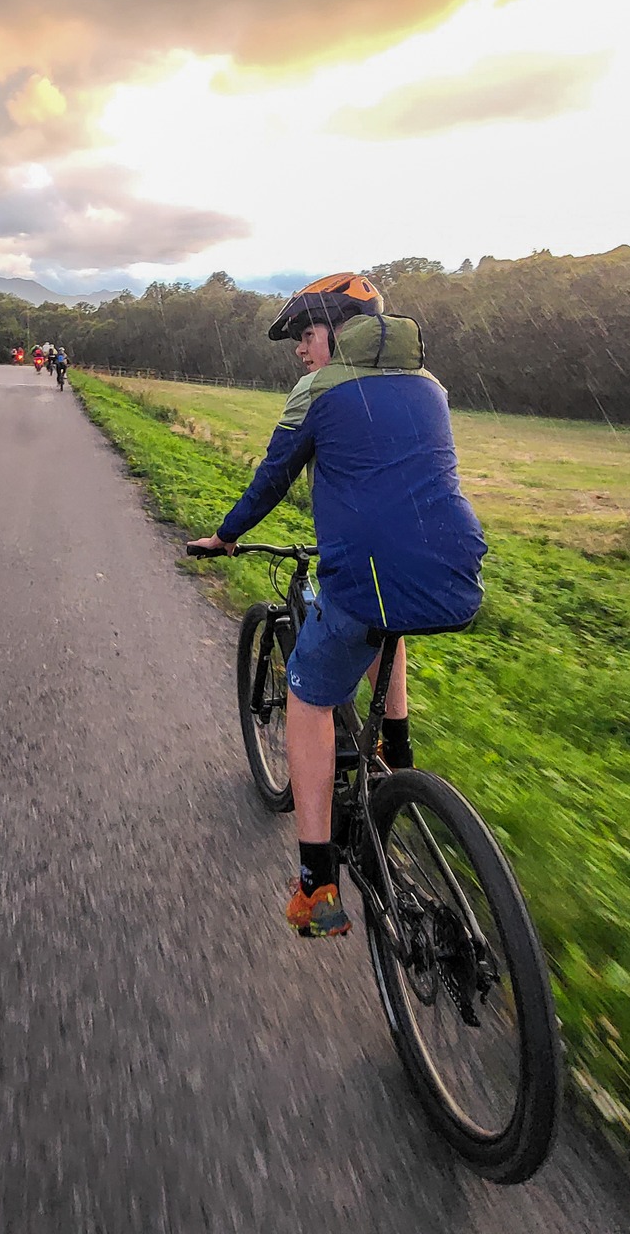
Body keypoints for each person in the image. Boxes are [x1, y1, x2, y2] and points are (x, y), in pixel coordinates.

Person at [187, 274, 486, 939]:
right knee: (389, 623)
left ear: (341, 329)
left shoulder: (319, 390)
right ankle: (397, 762)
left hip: (364, 574)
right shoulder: (430, 385)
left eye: (306, 333)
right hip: (453, 568)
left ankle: (317, 884)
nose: (299, 349)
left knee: (310, 696)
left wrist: (228, 535)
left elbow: (275, 473)